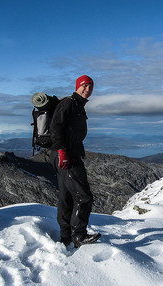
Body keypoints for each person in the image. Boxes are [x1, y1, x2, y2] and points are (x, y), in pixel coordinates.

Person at [49, 75, 101, 248]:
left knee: (67, 196)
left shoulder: (78, 105)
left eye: (91, 87)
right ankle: (79, 235)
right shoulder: (69, 103)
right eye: (85, 86)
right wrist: (62, 151)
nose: (88, 89)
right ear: (78, 86)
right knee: (84, 196)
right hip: (66, 155)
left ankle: (66, 237)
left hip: (68, 154)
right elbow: (55, 127)